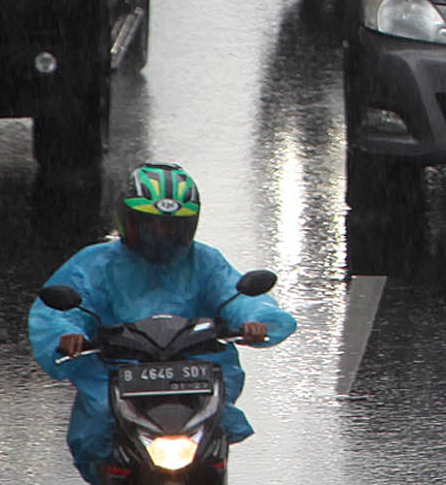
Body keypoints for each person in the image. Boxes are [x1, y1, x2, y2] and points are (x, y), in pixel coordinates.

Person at [29, 165, 297, 484]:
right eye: (151, 223)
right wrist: (67, 334)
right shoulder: (97, 263)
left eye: (171, 225)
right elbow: (59, 309)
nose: (161, 232)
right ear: (130, 221)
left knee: (216, 422)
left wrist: (256, 320)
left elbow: (236, 294)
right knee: (101, 420)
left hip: (194, 371)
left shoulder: (205, 261)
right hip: (118, 370)